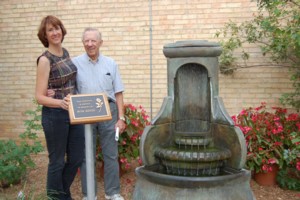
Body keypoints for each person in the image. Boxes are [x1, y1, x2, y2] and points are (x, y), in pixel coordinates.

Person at [72, 27, 126, 200]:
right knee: (86, 156)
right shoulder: (75, 64)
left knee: (111, 154)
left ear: (100, 43)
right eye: (86, 41)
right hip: (84, 113)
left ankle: (113, 193)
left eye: (93, 40)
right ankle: (90, 195)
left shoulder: (111, 64)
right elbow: (66, 88)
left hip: (109, 112)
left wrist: (121, 118)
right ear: (83, 43)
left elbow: (118, 93)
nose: (90, 44)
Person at [35, 15, 85, 200]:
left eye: (57, 28)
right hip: (54, 115)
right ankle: (59, 197)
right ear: (45, 35)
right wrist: (59, 102)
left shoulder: (64, 52)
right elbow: (39, 96)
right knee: (56, 162)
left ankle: (60, 194)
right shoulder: (45, 60)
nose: (55, 32)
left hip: (73, 113)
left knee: (76, 158)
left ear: (62, 31)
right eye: (50, 30)